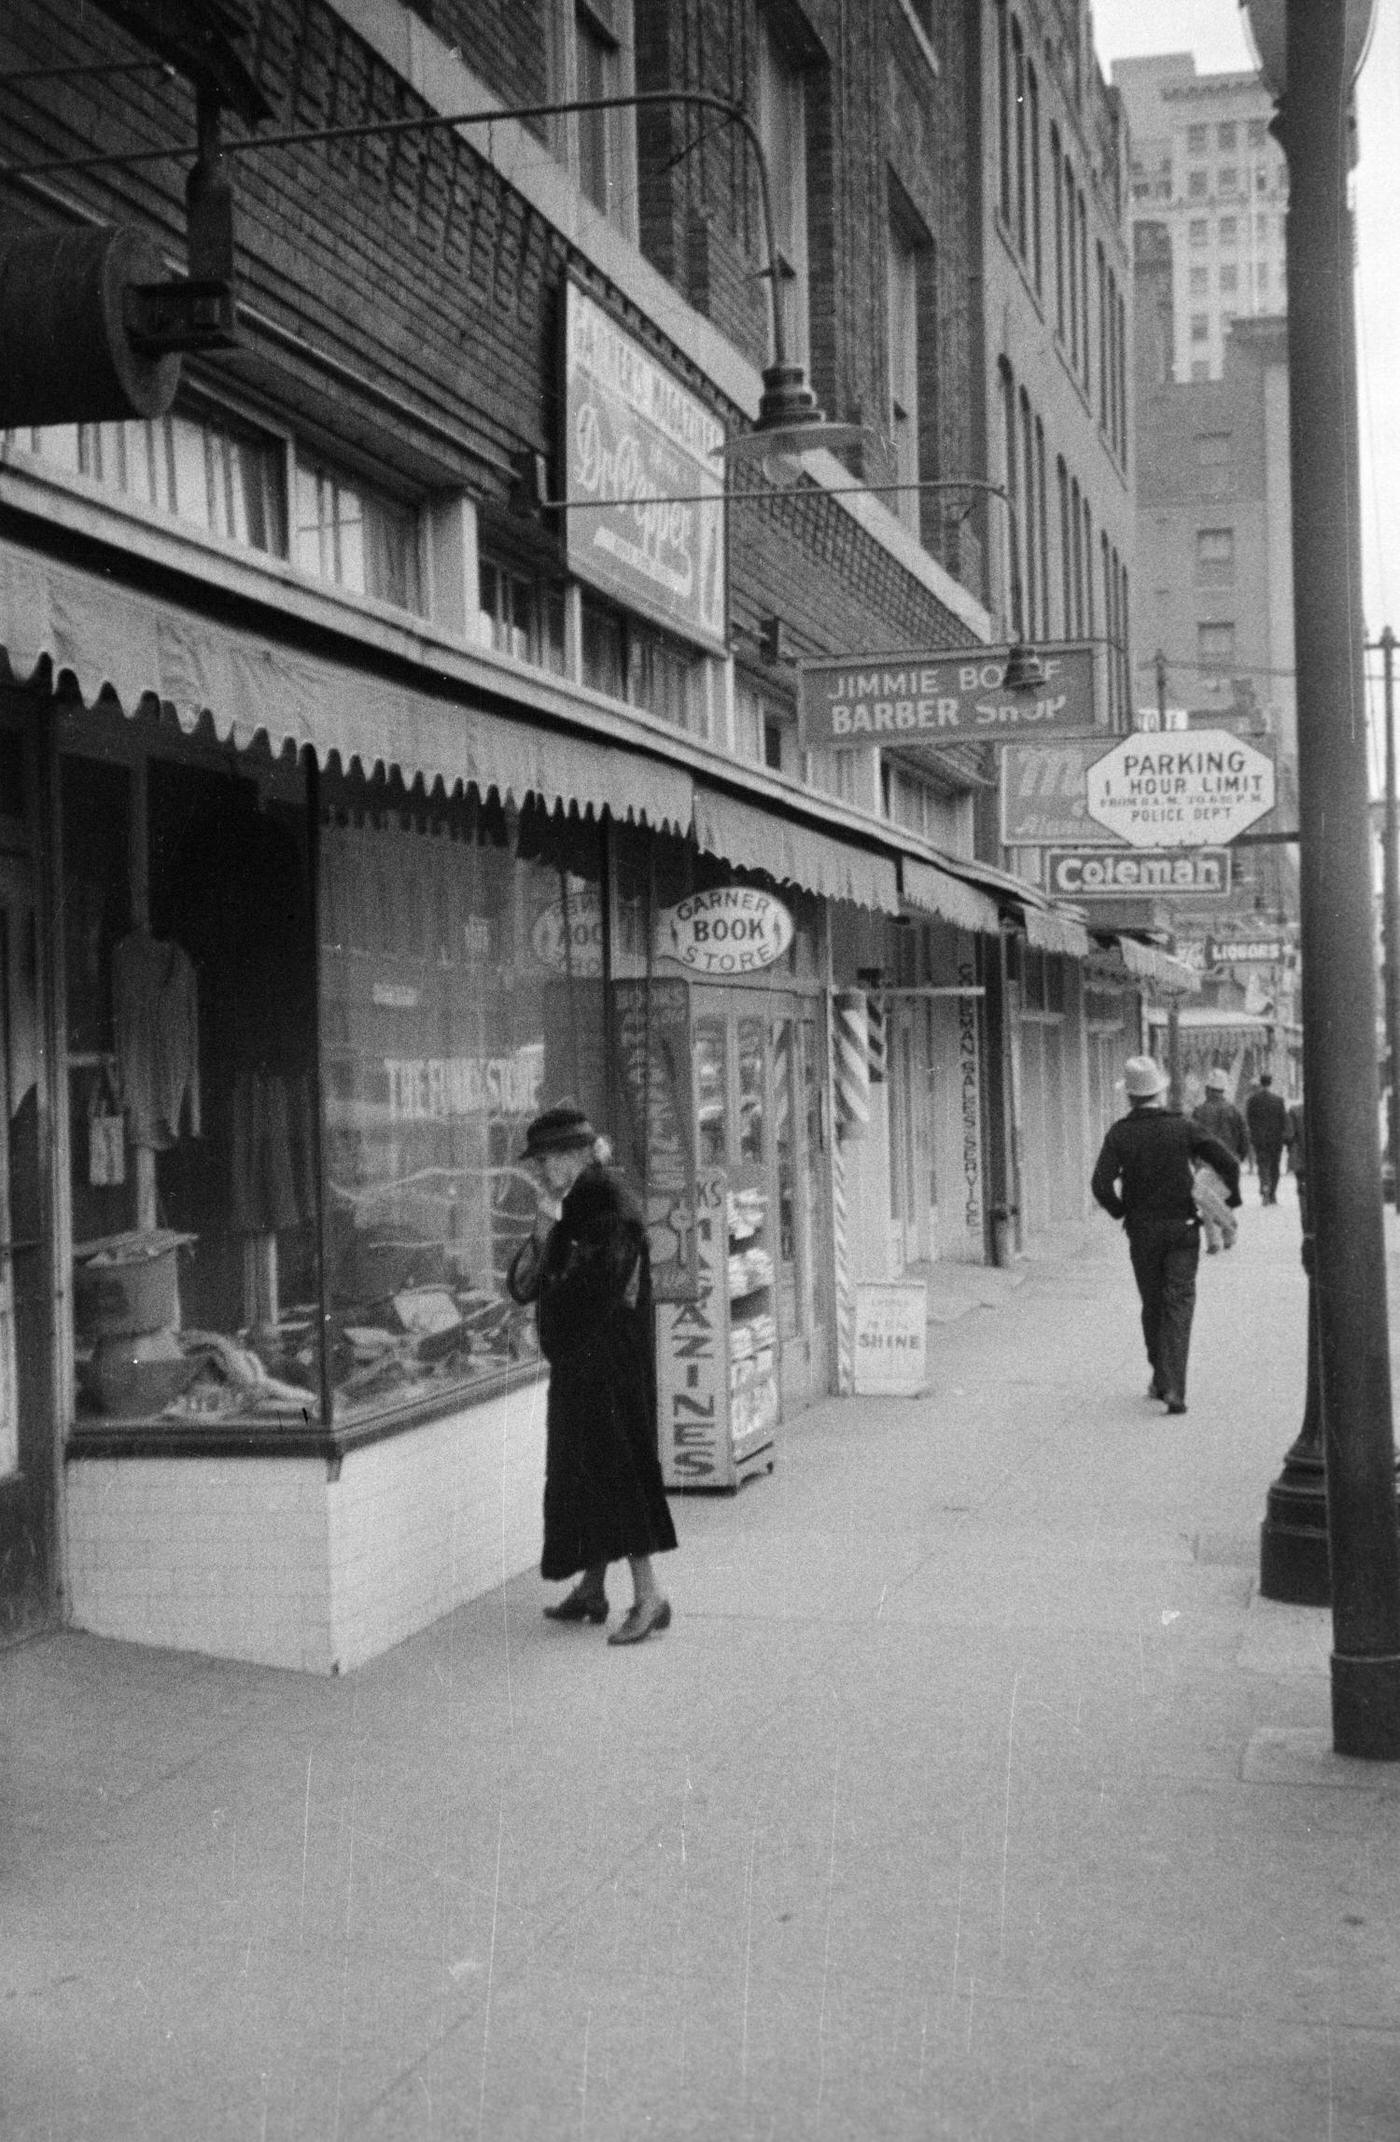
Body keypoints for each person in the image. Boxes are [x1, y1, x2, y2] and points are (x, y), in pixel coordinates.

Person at [507, 1102, 677, 1645]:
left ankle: (649, 1595)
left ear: (579, 1155)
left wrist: (553, 1318)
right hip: (582, 1366)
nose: (541, 1172)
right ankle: (592, 1586)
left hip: (610, 1367)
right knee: (581, 1475)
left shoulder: (611, 1208)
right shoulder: (571, 1206)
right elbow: (525, 1285)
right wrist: (541, 1230)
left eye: (548, 1160)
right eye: (538, 1163)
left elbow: (600, 1290)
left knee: (619, 1475)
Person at [1091, 1055, 1242, 1416]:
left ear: (1129, 1097)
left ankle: (1161, 1375)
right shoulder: (1183, 1127)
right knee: (1179, 1303)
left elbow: (1100, 1183)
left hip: (1142, 1232)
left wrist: (1120, 1210)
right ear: (1159, 1092)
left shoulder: (1120, 1133)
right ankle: (1174, 1385)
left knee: (1153, 1304)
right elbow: (1229, 1162)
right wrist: (1232, 1197)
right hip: (1183, 1230)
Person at [1190, 1068, 1250, 1253]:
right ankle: (1228, 1235)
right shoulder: (1233, 1110)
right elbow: (1244, 1137)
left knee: (1207, 1199)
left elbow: (1191, 1137)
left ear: (1208, 1089)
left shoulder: (1199, 1111)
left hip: (1205, 1162)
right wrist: (1241, 1156)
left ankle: (1213, 1241)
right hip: (1229, 1161)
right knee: (1225, 1196)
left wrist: (1194, 1160)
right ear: (1223, 1090)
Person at [1245, 1069, 1290, 1204]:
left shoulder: (1252, 1100)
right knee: (1275, 1166)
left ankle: (1265, 1185)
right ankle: (1272, 1194)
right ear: (1270, 1083)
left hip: (1259, 1139)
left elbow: (1249, 1119)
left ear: (1260, 1083)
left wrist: (1253, 1134)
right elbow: (1283, 1119)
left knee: (1263, 1164)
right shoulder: (1278, 1100)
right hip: (1275, 1139)